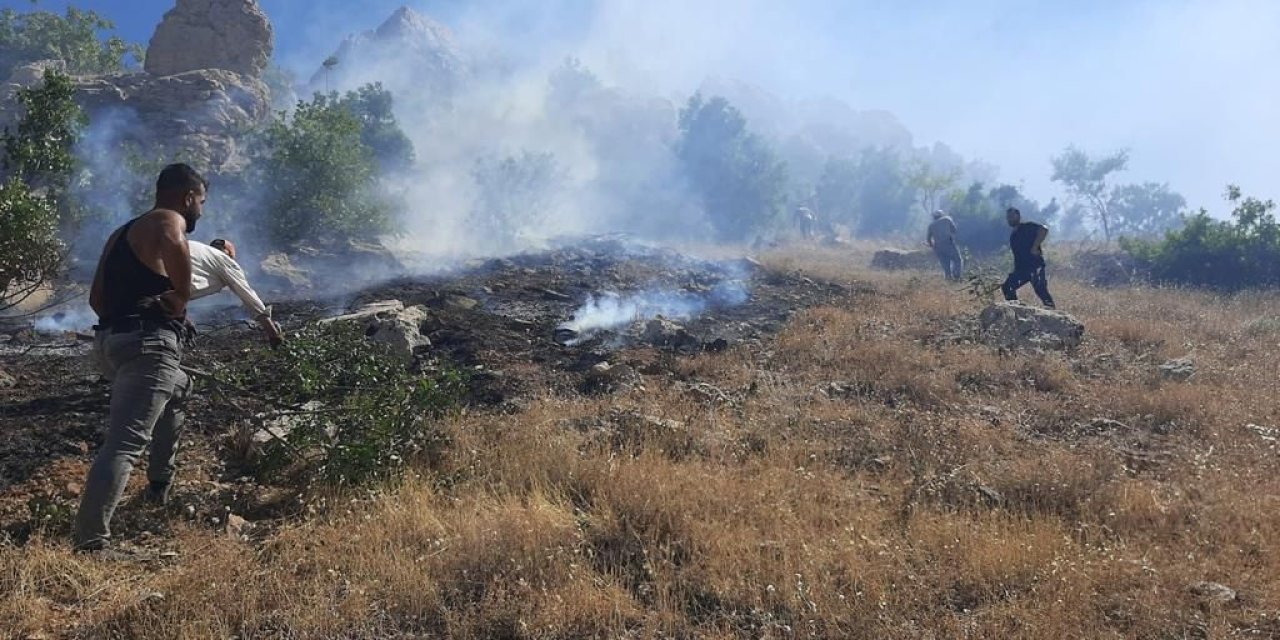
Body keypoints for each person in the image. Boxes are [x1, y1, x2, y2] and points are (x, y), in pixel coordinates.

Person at [74, 163, 205, 553]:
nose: (200, 210)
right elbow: (173, 240)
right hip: (149, 348)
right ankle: (91, 542)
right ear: (186, 197)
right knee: (124, 444)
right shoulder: (168, 220)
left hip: (110, 347)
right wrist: (181, 297)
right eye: (200, 201)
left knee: (181, 388)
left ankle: (159, 484)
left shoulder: (121, 233)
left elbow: (96, 300)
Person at [190, 238, 283, 347]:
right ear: (229, 253)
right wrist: (272, 332)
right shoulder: (224, 260)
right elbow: (248, 296)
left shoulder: (198, 249)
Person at [1001, 207, 1056, 309]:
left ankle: (1056, 316)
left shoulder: (1027, 227)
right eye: (1008, 217)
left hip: (1035, 267)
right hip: (1022, 270)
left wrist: (1035, 247)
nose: (1010, 219)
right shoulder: (1013, 236)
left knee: (1041, 291)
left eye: (1012, 216)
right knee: (1007, 287)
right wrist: (1014, 272)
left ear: (1018, 216)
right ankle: (1016, 312)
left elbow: (1044, 229)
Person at [926, 209, 963, 281]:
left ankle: (948, 279)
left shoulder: (931, 225)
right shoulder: (947, 219)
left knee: (946, 265)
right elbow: (954, 230)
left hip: (938, 247)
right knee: (957, 260)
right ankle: (956, 276)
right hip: (948, 244)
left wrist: (932, 245)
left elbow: (928, 239)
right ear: (941, 215)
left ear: (934, 217)